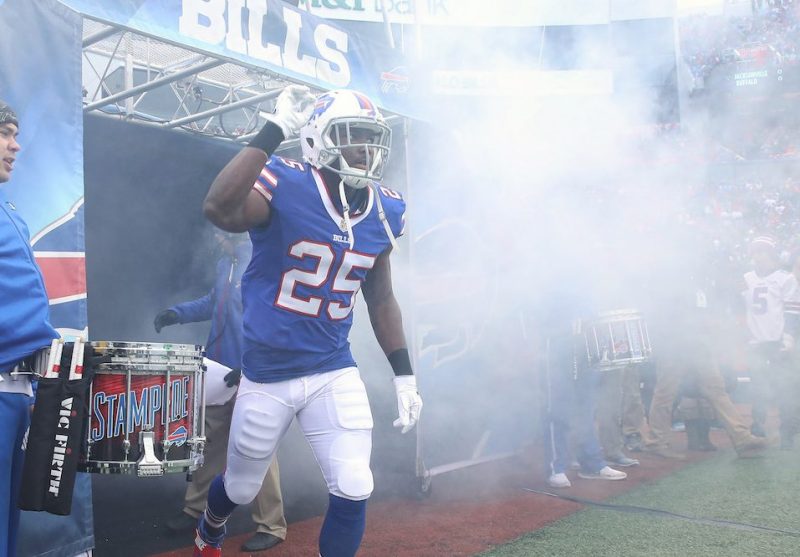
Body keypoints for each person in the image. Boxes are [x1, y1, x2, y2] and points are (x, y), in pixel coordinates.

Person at [191, 85, 423, 557]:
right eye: (352, 135)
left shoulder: (383, 207)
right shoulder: (287, 180)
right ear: (319, 139)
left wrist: (404, 375)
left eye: (370, 137)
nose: (365, 148)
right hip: (267, 373)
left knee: (356, 483)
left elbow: (380, 297)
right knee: (239, 486)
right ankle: (210, 526)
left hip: (332, 368)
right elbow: (220, 208)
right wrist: (274, 129)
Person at [155, 231, 287, 552]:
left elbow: (275, 317)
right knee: (210, 441)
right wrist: (178, 313)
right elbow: (214, 303)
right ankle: (195, 509)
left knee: (258, 448)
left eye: (217, 229)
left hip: (252, 373)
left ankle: (272, 525)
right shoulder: (225, 263)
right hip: (219, 371)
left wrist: (252, 362)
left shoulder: (261, 259)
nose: (213, 234)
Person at [643, 232, 770, 459]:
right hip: (674, 343)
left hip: (698, 343)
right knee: (666, 391)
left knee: (716, 388)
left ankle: (741, 437)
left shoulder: (699, 280)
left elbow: (704, 312)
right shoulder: (668, 278)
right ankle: (656, 442)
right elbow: (663, 313)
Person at [0, 100, 60, 555]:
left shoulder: (10, 210)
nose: (15, 145)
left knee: (8, 527)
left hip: (20, 391)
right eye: (4, 133)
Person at [741, 236, 800, 448]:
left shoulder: (785, 279)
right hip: (756, 342)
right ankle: (757, 427)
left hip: (778, 341)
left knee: (786, 388)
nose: (758, 257)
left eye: (762, 252)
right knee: (757, 387)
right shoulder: (746, 278)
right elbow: (740, 309)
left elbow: (793, 310)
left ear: (771, 254)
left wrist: (789, 337)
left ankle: (788, 432)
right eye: (754, 253)